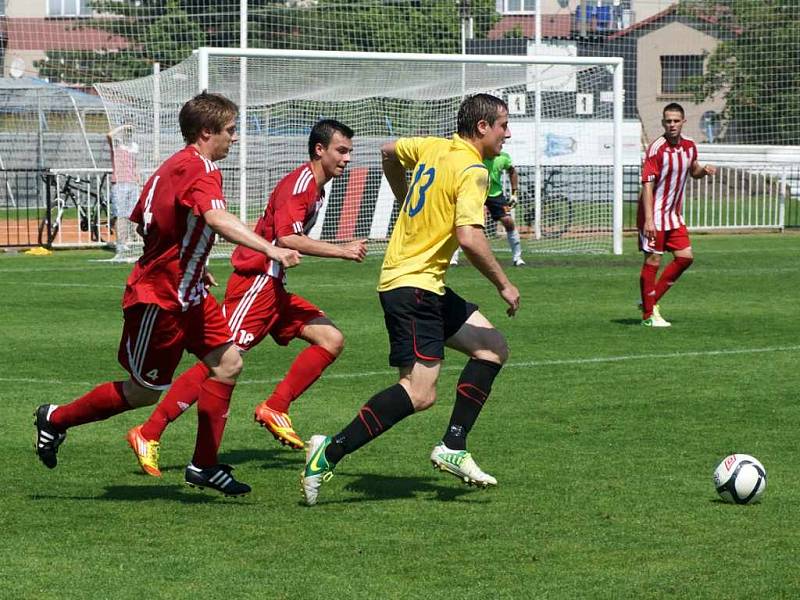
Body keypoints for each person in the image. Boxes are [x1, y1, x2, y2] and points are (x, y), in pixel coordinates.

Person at [34, 92, 301, 497]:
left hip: (190, 293)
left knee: (228, 364)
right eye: (231, 131)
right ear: (206, 132)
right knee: (144, 391)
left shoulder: (171, 166)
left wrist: (194, 260)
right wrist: (269, 247)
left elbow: (147, 221)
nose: (235, 139)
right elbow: (215, 216)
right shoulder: (203, 169)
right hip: (160, 301)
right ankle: (56, 418)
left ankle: (204, 465)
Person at [301, 93, 521, 506]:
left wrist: (404, 196)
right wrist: (503, 285)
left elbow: (388, 151)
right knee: (419, 393)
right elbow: (470, 237)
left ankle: (453, 446)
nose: (507, 133)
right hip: (413, 285)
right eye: (503, 125)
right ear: (483, 128)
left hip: (421, 282)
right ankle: (327, 452)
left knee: (493, 348)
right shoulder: (473, 169)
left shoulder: (432, 145)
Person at [125, 119, 367, 477]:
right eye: (341, 151)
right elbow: (286, 239)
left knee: (330, 339)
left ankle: (276, 406)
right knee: (222, 359)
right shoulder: (301, 184)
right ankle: (149, 431)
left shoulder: (316, 187)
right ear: (320, 150)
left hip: (273, 286)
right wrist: (343, 251)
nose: (347, 158)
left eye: (349, 151)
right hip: (257, 283)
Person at [638, 102, 716, 327]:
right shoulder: (656, 148)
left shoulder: (690, 146)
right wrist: (650, 220)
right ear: (663, 123)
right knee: (653, 259)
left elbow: (694, 171)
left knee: (685, 258)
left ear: (683, 122)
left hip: (673, 215)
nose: (672, 125)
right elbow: (647, 185)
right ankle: (648, 317)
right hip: (654, 215)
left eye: (675, 121)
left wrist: (704, 170)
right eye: (668, 121)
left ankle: (649, 301)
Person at [450, 149, 524, 266]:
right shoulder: (477, 156)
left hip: (495, 195)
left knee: (508, 221)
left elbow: (512, 171)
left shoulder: (503, 157)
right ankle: (453, 259)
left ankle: (518, 258)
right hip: (475, 193)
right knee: (461, 223)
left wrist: (514, 193)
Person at [106, 124, 141, 256]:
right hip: (119, 183)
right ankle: (120, 243)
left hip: (132, 183)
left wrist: (138, 179)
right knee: (120, 214)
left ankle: (129, 240)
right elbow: (109, 135)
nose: (128, 133)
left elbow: (134, 165)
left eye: (130, 131)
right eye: (127, 131)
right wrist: (122, 127)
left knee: (131, 214)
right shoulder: (117, 145)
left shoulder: (134, 147)